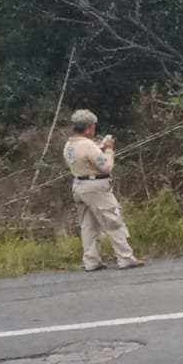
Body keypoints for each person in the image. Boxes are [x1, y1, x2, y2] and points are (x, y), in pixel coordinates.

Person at [63, 110, 144, 271]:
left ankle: (91, 261)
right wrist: (108, 150)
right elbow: (106, 166)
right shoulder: (87, 145)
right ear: (88, 128)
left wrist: (98, 148)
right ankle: (125, 257)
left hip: (79, 185)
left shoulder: (69, 145)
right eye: (93, 127)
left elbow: (83, 160)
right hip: (95, 188)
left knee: (88, 225)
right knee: (112, 220)